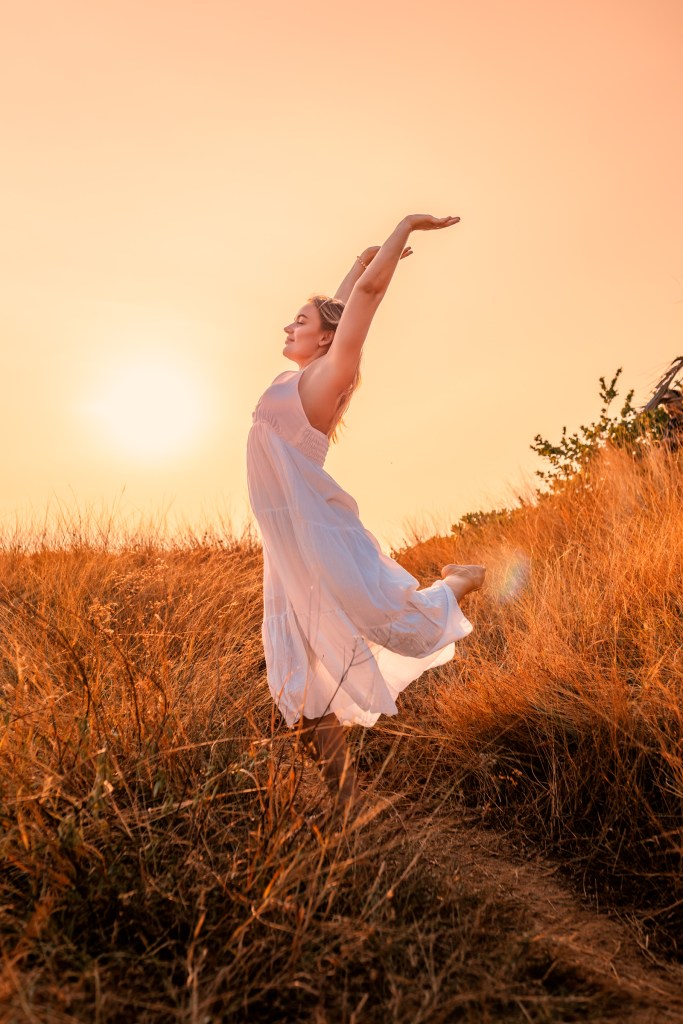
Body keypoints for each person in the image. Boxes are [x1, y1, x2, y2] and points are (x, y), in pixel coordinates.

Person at [246, 214, 485, 812]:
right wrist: (356, 265)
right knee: (299, 682)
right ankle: (347, 808)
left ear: (326, 338)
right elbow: (343, 301)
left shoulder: (331, 375)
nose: (288, 325)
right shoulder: (298, 375)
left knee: (387, 618)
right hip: (287, 548)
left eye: (299, 321)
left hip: (319, 537)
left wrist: (405, 226)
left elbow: (363, 303)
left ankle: (456, 584)